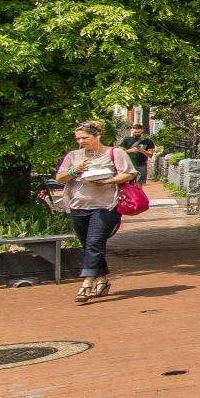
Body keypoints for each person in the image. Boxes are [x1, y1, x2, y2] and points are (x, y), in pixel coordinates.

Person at [55, 121, 134, 303]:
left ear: (97, 135)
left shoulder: (115, 153)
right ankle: (103, 280)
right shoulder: (74, 155)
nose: (81, 141)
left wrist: (108, 181)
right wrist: (76, 170)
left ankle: (86, 283)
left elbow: (129, 173)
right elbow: (60, 178)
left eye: (85, 137)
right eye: (78, 139)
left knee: (94, 243)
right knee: (89, 246)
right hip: (78, 206)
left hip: (105, 206)